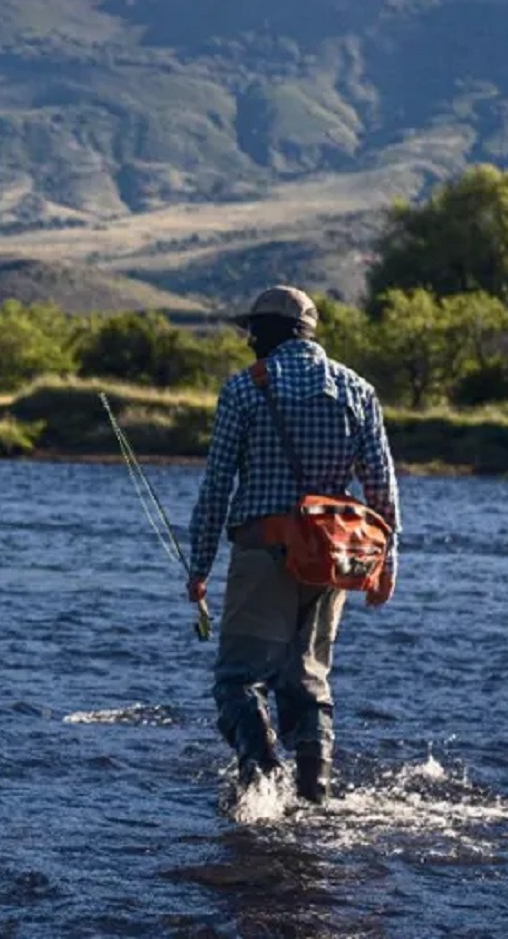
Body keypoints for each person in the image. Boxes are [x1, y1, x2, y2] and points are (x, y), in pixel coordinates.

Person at [185, 286, 399, 804]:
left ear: (269, 332)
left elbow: (217, 487)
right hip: (333, 560)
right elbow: (382, 487)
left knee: (238, 681)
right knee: (307, 683)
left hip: (263, 551)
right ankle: (314, 798)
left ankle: (261, 789)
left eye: (252, 330)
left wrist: (199, 567)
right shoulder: (358, 389)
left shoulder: (244, 389)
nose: (249, 340)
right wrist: (386, 564)